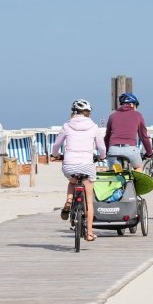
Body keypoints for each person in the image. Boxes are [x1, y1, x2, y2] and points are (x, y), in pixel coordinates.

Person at [51, 99, 106, 242]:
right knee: (89, 200)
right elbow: (101, 148)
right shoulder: (93, 127)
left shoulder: (66, 125)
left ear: (73, 112)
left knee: (72, 182)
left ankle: (69, 201)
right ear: (88, 113)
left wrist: (56, 155)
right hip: (87, 165)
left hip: (69, 164)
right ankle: (89, 234)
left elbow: (56, 144)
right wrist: (102, 157)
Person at [104, 92, 153, 169]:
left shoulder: (112, 116)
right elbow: (143, 137)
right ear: (132, 104)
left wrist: (107, 152)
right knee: (138, 167)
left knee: (116, 172)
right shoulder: (137, 115)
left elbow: (107, 137)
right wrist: (149, 152)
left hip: (113, 150)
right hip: (130, 150)